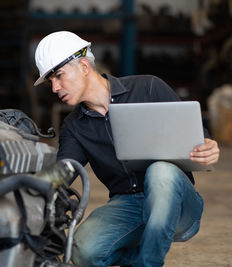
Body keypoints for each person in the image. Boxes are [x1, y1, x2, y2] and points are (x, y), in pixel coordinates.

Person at [33, 31, 220, 267]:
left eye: (58, 76)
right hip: (127, 206)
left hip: (177, 203)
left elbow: (197, 138)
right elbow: (64, 172)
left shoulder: (148, 88)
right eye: (51, 81)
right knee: (81, 251)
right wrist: (33, 187)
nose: (54, 88)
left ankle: (148, 263)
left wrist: (207, 145)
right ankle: (141, 257)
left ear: (83, 66)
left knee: (160, 171)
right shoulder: (74, 127)